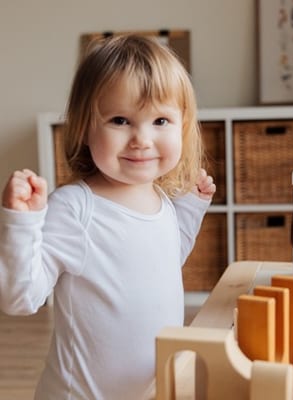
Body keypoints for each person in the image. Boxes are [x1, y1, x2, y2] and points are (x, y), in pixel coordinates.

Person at [0, 34, 215, 399]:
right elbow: (20, 299)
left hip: (149, 390)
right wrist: (22, 224)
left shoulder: (161, 200)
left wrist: (190, 209)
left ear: (183, 125)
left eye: (161, 121)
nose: (142, 139)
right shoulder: (74, 210)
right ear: (85, 127)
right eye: (120, 120)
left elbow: (164, 261)